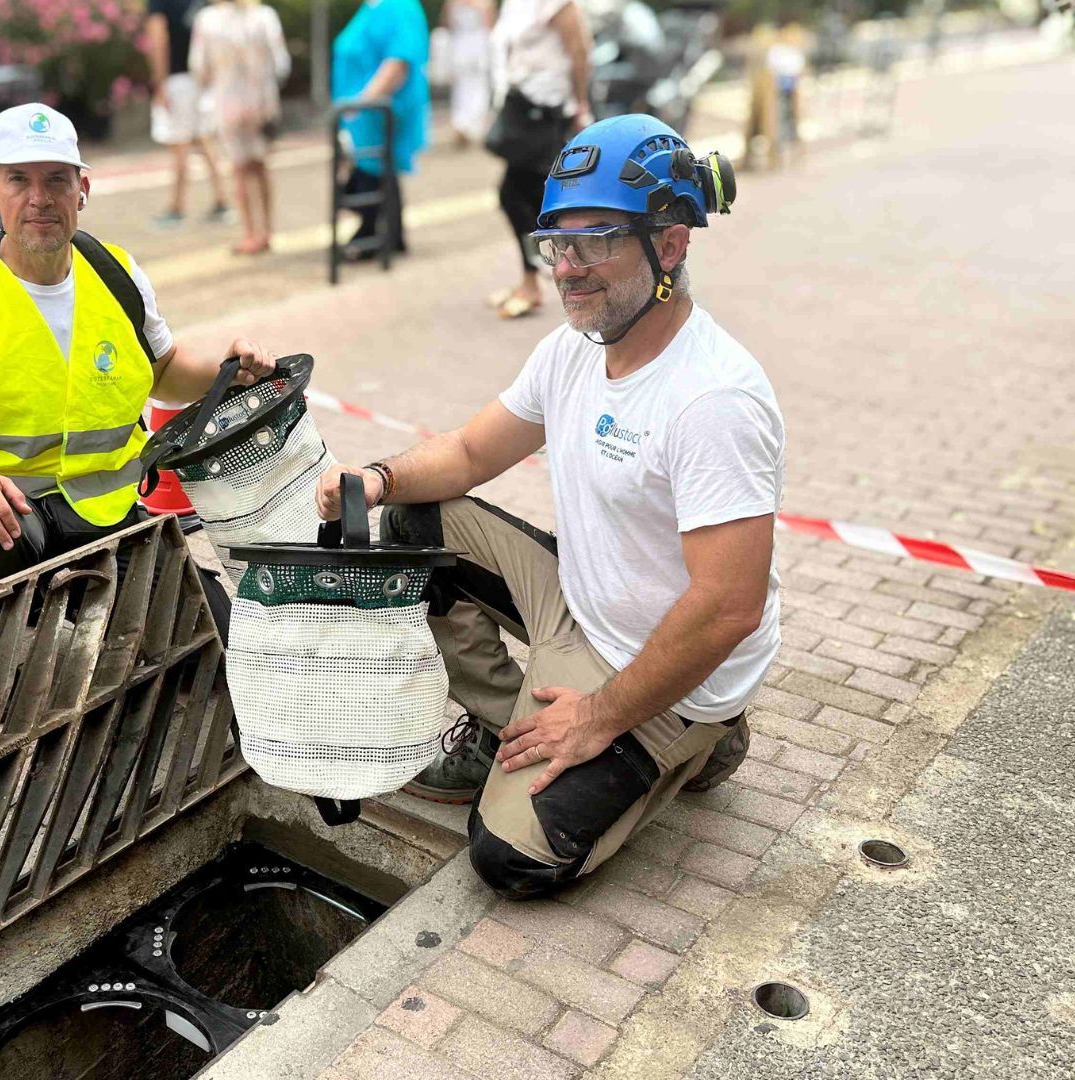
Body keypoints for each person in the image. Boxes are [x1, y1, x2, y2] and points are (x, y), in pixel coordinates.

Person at [314, 115, 780, 900]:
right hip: (580, 602)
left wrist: (600, 715)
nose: (566, 270)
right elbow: (468, 454)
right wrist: (380, 478)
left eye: (593, 243)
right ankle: (518, 725)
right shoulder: (575, 348)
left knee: (511, 860)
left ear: (670, 245)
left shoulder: (714, 400)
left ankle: (700, 738)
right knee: (413, 524)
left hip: (671, 665)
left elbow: (728, 607)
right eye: (555, 245)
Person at [0, 104, 274, 597]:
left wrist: (228, 370)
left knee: (208, 630)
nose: (39, 198)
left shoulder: (116, 272)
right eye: (18, 179)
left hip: (110, 516)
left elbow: (163, 370)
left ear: (82, 189)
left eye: (57, 180)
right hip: (8, 517)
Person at [484, 0, 591, 320]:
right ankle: (538, 277)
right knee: (529, 198)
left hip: (546, 109)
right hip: (523, 106)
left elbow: (580, 49)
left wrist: (580, 104)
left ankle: (541, 280)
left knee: (523, 197)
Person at [331, 0, 431, 260]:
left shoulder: (399, 7)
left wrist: (364, 101)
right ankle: (383, 236)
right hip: (364, 111)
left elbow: (399, 61)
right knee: (372, 171)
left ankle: (375, 236)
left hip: (378, 110)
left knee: (376, 169)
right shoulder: (375, 7)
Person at [190, 0, 290, 256]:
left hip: (227, 102)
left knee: (239, 168)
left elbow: (199, 66)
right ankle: (267, 230)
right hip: (262, 103)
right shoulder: (265, 16)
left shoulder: (208, 19)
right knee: (261, 165)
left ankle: (249, 233)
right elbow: (281, 64)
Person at [147, 0, 229, 227]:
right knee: (204, 139)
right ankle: (222, 200)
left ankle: (177, 207)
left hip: (176, 80)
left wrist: (159, 82)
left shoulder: (159, 3)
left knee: (179, 143)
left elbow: (158, 38)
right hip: (201, 79)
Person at [444, 0, 494, 145]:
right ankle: (468, 125)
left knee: (464, 88)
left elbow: (447, 22)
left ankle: (463, 124)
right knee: (476, 87)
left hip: (462, 45)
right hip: (476, 45)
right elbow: (490, 24)